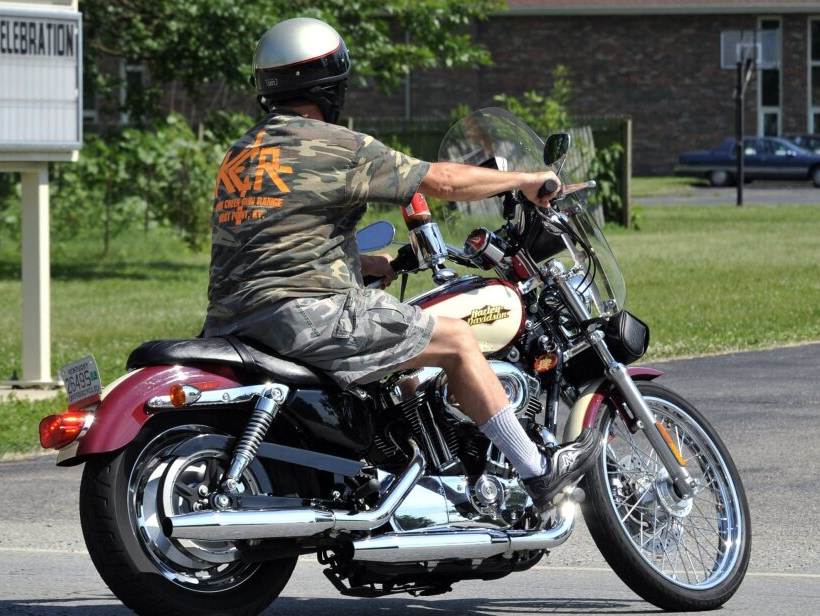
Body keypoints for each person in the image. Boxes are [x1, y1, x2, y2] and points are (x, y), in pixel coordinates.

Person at [203, 17, 598, 512]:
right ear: (331, 86)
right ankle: (540, 472)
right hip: (303, 316)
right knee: (455, 338)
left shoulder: (240, 154)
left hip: (235, 318)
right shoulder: (339, 144)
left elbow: (274, 240)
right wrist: (524, 180)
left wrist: (373, 263)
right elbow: (445, 184)